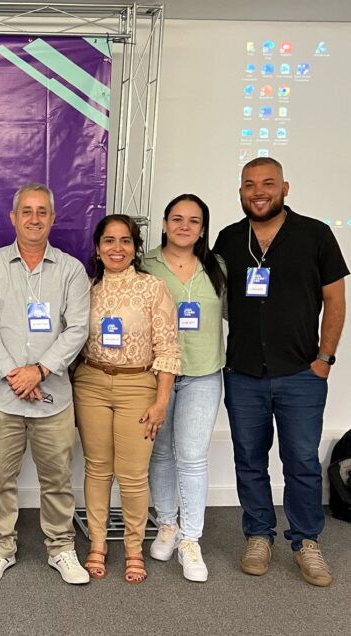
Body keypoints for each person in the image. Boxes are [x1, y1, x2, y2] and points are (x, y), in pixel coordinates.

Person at [214, 157, 347, 587]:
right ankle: (258, 535)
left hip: (301, 374)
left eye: (268, 183)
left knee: (302, 462)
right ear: (240, 191)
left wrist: (324, 360)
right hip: (244, 373)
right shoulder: (229, 239)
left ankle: (306, 541)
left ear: (285, 187)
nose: (259, 191)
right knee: (249, 460)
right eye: (250, 184)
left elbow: (336, 301)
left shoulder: (315, 234)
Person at [0, 183, 91, 585]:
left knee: (57, 478)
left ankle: (61, 548)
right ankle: (0, 546)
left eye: (42, 211)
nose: (35, 218)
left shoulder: (72, 270)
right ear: (13, 218)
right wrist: (13, 374)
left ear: (53, 218)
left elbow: (77, 329)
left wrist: (38, 371)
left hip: (53, 397)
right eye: (27, 211)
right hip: (1, 396)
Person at [72, 214, 180, 584]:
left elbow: (167, 347)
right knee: (97, 469)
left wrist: (161, 400)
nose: (117, 248)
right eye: (109, 241)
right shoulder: (85, 288)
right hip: (91, 383)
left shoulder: (153, 289)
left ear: (135, 249)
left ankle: (133, 549)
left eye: (125, 241)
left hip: (139, 386)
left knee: (133, 476)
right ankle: (98, 544)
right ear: (97, 249)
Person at [143, 194, 226, 582]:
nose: (184, 226)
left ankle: (191, 540)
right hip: (156, 374)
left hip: (203, 374)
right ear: (163, 223)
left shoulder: (218, 268)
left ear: (203, 229)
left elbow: (236, 316)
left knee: (191, 456)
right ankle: (167, 524)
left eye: (194, 221)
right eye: (177, 218)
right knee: (160, 452)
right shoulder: (144, 265)